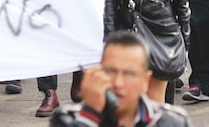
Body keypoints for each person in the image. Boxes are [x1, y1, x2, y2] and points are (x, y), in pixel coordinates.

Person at [48, 31, 191, 127]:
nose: (118, 83)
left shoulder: (173, 122)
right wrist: (89, 116)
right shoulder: (67, 120)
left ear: (145, 81)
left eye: (129, 74)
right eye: (111, 71)